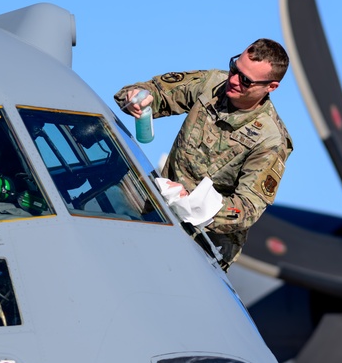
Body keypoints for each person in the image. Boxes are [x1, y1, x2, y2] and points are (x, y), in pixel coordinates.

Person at [115, 38, 292, 269]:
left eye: (246, 80)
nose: (234, 80)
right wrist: (140, 98)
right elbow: (155, 91)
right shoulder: (212, 84)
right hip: (158, 204)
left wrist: (192, 202)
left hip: (205, 239)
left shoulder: (270, 139)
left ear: (271, 87)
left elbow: (247, 209)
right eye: (234, 68)